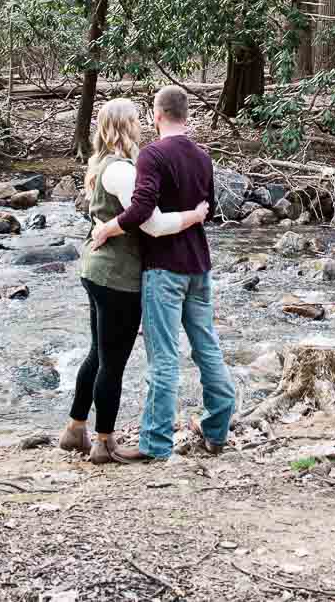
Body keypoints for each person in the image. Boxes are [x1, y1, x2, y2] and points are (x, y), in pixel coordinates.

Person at [88, 84, 235, 461]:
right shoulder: (203, 156)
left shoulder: (152, 155)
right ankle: (217, 430)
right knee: (208, 349)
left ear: (156, 115)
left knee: (164, 358)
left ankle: (155, 444)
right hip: (199, 266)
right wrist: (192, 216)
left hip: (164, 269)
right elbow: (210, 207)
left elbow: (141, 213)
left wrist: (108, 227)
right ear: (187, 116)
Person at [59, 98, 208, 465]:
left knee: (98, 353)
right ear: (126, 127)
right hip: (117, 277)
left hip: (97, 271)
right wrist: (193, 215)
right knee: (113, 361)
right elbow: (152, 224)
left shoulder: (103, 165)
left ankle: (75, 429)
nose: (143, 126)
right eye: (136, 121)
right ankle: (103, 441)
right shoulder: (122, 171)